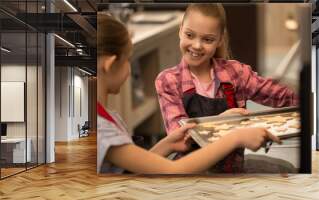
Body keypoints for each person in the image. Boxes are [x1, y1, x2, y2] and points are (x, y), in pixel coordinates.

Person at [97, 14, 281, 174]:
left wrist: (167, 144)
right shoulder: (103, 131)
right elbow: (173, 170)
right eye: (128, 59)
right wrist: (236, 137)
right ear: (110, 64)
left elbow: (135, 168)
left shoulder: (107, 117)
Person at [155, 3, 298, 173]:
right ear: (180, 30)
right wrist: (222, 121)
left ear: (220, 39)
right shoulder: (168, 81)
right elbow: (181, 137)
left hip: (233, 172)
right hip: (191, 177)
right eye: (190, 35)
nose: (197, 45)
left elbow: (280, 96)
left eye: (208, 39)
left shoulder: (236, 72)